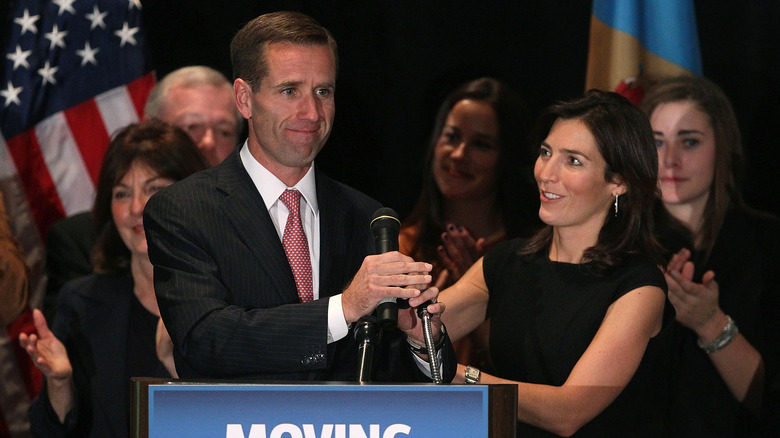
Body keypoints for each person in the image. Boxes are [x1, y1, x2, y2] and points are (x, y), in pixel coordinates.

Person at [143, 11, 454, 383]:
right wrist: (343, 308)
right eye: (290, 91)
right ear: (244, 99)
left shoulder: (366, 216)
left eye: (323, 91)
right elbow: (205, 338)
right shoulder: (183, 209)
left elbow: (384, 374)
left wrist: (420, 340)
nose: (311, 112)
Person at [438, 90, 674, 436]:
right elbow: (421, 333)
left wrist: (458, 375)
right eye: (546, 153)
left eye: (573, 161)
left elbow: (567, 413)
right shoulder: (505, 261)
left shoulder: (639, 287)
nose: (546, 173)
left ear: (619, 181)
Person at [19, 120, 209, 437]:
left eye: (155, 189)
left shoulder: (236, 298)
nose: (136, 208)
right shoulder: (81, 303)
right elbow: (48, 432)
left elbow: (254, 419)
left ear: (192, 195)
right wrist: (60, 384)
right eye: (122, 193)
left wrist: (178, 368)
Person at [641, 75, 780, 437]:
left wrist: (710, 323)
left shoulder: (768, 244)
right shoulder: (620, 245)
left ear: (723, 147)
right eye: (656, 142)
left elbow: (769, 404)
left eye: (689, 142)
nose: (669, 160)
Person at [44, 65, 242, 318]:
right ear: (152, 129)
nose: (208, 142)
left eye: (224, 131)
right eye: (191, 127)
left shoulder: (252, 233)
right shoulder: (84, 253)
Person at [399, 77, 541, 371]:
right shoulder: (400, 247)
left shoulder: (532, 256)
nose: (459, 154)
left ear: (506, 158)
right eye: (451, 136)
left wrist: (477, 292)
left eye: (481, 144)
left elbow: (532, 375)